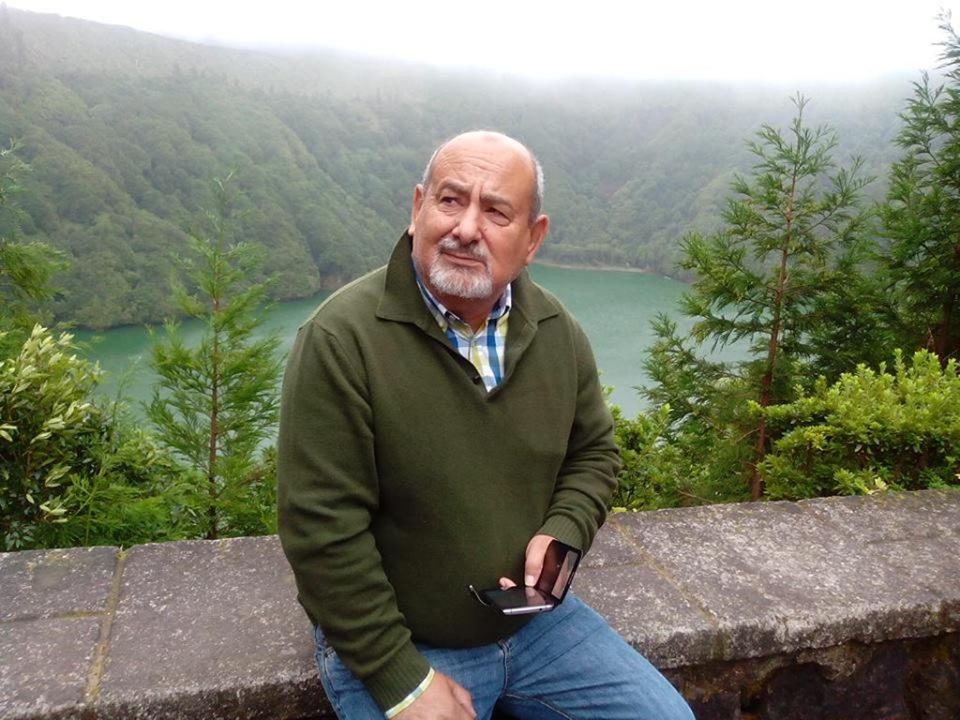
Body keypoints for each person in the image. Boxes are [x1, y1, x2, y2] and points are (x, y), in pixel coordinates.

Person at [277, 131, 694, 720]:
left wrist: (565, 530)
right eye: (450, 201)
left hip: (535, 628)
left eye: (496, 212)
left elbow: (594, 453)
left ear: (533, 238)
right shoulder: (341, 339)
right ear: (417, 207)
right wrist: (401, 680)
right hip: (401, 642)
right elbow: (321, 527)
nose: (466, 228)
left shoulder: (556, 332)